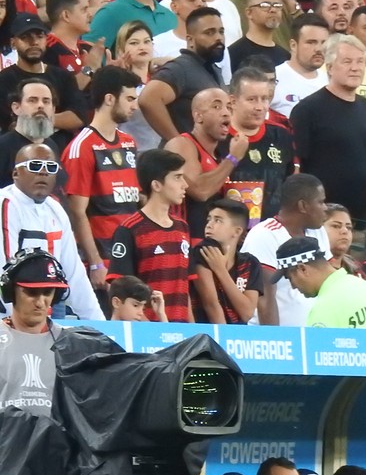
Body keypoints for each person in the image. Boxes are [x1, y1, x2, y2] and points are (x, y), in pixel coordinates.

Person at [62, 65, 141, 292]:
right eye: (129, 99)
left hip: (131, 254)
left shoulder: (129, 142)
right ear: (109, 99)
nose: (135, 106)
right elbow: (77, 211)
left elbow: (135, 199)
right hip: (103, 261)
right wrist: (95, 262)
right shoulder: (82, 147)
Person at [0, 143, 101, 319]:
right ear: (16, 173)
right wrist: (19, 323)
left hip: (48, 301)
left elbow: (74, 272)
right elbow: (4, 272)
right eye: (35, 166)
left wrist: (98, 323)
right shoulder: (6, 204)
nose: (43, 172)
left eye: (51, 167)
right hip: (9, 309)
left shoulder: (56, 208)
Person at [291, 34, 366, 224]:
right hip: (322, 221)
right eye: (347, 61)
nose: (355, 67)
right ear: (329, 67)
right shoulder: (308, 109)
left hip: (362, 221)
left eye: (360, 61)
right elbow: (296, 170)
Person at [106, 149, 192, 322]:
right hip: (146, 330)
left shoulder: (182, 227)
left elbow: (184, 287)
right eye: (177, 177)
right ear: (156, 185)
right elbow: (121, 290)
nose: (185, 185)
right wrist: (150, 328)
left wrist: (190, 328)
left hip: (180, 330)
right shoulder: (130, 229)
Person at [242, 173, 330, 327]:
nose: (325, 208)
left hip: (312, 332)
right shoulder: (264, 235)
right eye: (321, 202)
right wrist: (275, 338)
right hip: (278, 335)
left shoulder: (318, 231)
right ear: (303, 206)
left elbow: (328, 283)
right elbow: (265, 298)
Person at [138, 7, 226, 143]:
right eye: (209, 33)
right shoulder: (180, 67)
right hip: (184, 155)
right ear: (190, 40)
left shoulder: (213, 69)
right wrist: (178, 143)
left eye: (221, 32)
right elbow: (148, 99)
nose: (218, 38)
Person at [162, 88, 239, 240]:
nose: (226, 113)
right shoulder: (182, 144)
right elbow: (200, 191)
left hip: (211, 243)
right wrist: (234, 157)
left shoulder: (220, 155)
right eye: (216, 106)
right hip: (184, 242)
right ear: (198, 116)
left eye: (229, 108)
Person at [0, 249, 70, 413]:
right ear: (10, 292)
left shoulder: (70, 344)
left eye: (47, 293)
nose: (40, 302)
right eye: (31, 292)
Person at [222, 67, 296, 222]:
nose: (260, 107)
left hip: (272, 229)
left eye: (265, 99)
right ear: (233, 101)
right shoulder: (219, 137)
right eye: (252, 99)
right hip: (229, 228)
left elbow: (290, 184)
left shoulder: (281, 135)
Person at [0, 13, 86, 139]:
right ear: (13, 43)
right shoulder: (4, 79)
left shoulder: (62, 76)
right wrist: (55, 119)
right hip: (18, 147)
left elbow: (78, 117)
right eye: (25, 37)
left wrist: (35, 118)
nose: (34, 42)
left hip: (59, 146)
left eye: (39, 36)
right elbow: (11, 124)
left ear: (46, 39)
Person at [273, 235, 366, 329]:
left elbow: (318, 349)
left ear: (303, 269)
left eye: (290, 278)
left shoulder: (324, 308)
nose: (293, 286)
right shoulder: (364, 286)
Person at [190, 199, 262, 325]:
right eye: (209, 219)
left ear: (237, 231)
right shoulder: (202, 252)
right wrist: (222, 336)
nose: (209, 225)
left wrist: (221, 271)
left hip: (237, 333)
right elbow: (211, 304)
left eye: (218, 220)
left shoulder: (250, 263)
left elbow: (247, 313)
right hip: (206, 331)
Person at [153, 0, 232, 85]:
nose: (200, 3)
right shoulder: (158, 44)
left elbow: (226, 84)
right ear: (174, 7)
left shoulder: (217, 44)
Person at [0, 79, 64, 192]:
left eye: (46, 101)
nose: (40, 105)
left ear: (53, 109)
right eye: (32, 100)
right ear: (16, 108)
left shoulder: (52, 146)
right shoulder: (3, 147)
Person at [271, 14, 329, 118]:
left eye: (323, 43)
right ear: (293, 45)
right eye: (311, 42)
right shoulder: (273, 79)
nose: (319, 49)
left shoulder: (331, 82)